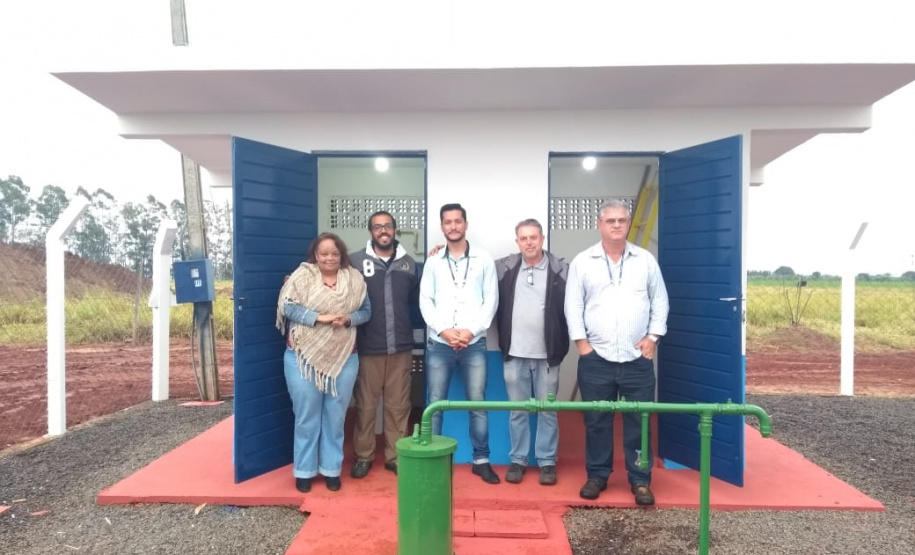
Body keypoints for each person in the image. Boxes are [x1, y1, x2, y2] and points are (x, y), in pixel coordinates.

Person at [564, 199, 669, 505]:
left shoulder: (645, 260)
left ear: (627, 223)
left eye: (622, 220)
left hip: (637, 359)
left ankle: (640, 480)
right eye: (610, 221)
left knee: (640, 421)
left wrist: (653, 337)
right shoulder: (584, 261)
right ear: (600, 225)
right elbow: (573, 306)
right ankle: (597, 476)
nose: (616, 226)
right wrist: (582, 345)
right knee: (597, 420)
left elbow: (660, 302)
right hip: (596, 359)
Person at [276, 233, 371, 493]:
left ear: (341, 255)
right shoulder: (301, 277)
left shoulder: (354, 279)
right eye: (324, 253)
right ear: (315, 256)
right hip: (302, 358)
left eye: (334, 253)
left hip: (345, 358)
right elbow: (288, 308)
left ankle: (331, 469)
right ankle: (305, 471)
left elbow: (366, 312)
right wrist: (321, 317)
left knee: (335, 417)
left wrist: (349, 319)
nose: (329, 257)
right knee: (306, 417)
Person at [419, 202, 500, 484]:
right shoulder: (432, 261)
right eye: (447, 222)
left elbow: (491, 299)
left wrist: (470, 331)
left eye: (457, 221)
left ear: (465, 224)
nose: (453, 226)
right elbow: (425, 301)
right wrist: (443, 331)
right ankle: (435, 460)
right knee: (436, 403)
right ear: (442, 227)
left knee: (477, 403)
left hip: (473, 343)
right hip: (439, 343)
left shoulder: (483, 259)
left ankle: (481, 460)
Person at [494, 218, 570, 486]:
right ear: (517, 242)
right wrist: (437, 250)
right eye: (524, 238)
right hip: (515, 354)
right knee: (518, 411)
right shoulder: (503, 267)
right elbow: (473, 273)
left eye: (533, 237)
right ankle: (518, 460)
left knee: (547, 410)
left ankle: (547, 462)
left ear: (542, 239)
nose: (529, 242)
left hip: (548, 356)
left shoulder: (562, 269)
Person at [348, 211, 419, 479]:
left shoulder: (408, 264)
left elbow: (412, 301)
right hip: (368, 347)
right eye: (377, 227)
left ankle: (395, 456)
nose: (383, 231)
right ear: (371, 232)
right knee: (366, 405)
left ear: (395, 230)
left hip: (400, 346)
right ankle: (363, 456)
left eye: (387, 226)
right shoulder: (354, 262)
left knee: (398, 405)